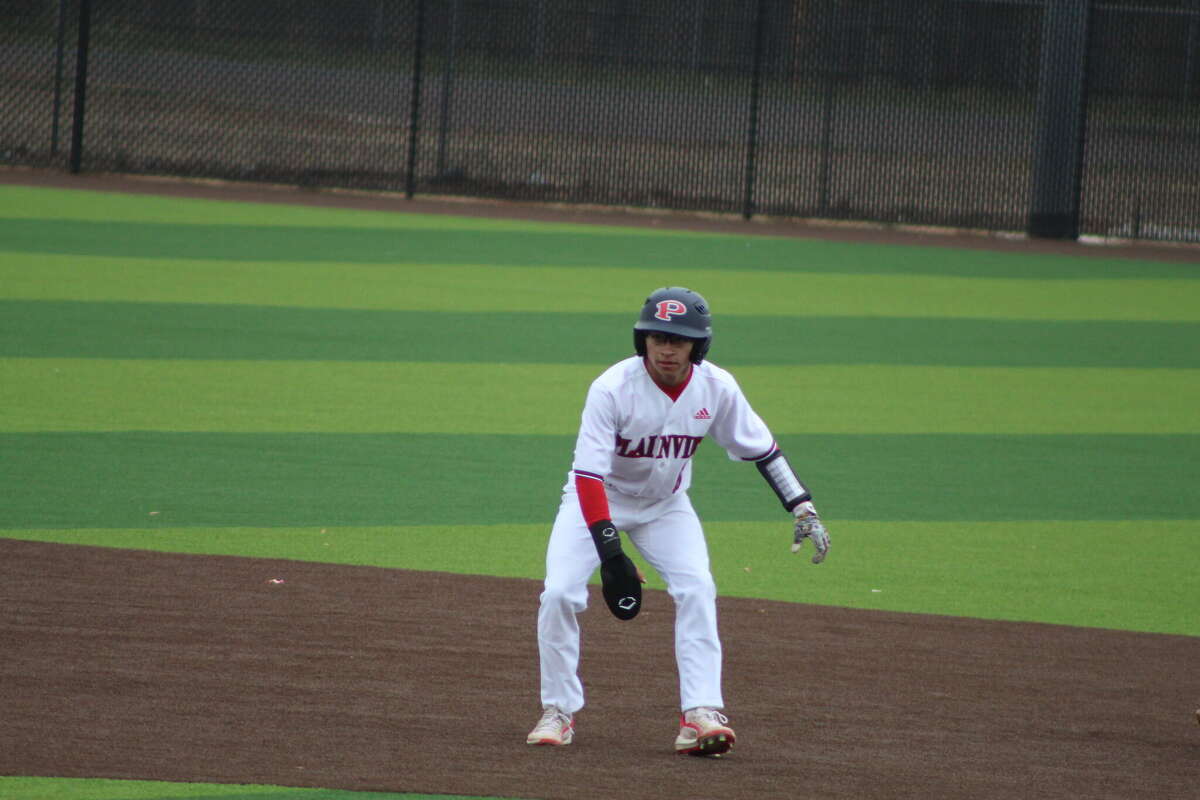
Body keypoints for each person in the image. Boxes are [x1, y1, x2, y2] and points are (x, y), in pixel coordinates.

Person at [526, 286, 830, 757]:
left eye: (680, 340)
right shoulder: (611, 388)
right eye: (658, 338)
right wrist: (611, 554)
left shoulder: (717, 387)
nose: (667, 349)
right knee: (560, 592)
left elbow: (761, 448)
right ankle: (558, 712)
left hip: (667, 507)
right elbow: (588, 475)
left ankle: (700, 713)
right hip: (598, 498)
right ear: (642, 340)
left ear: (698, 346)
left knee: (696, 588)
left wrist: (801, 506)